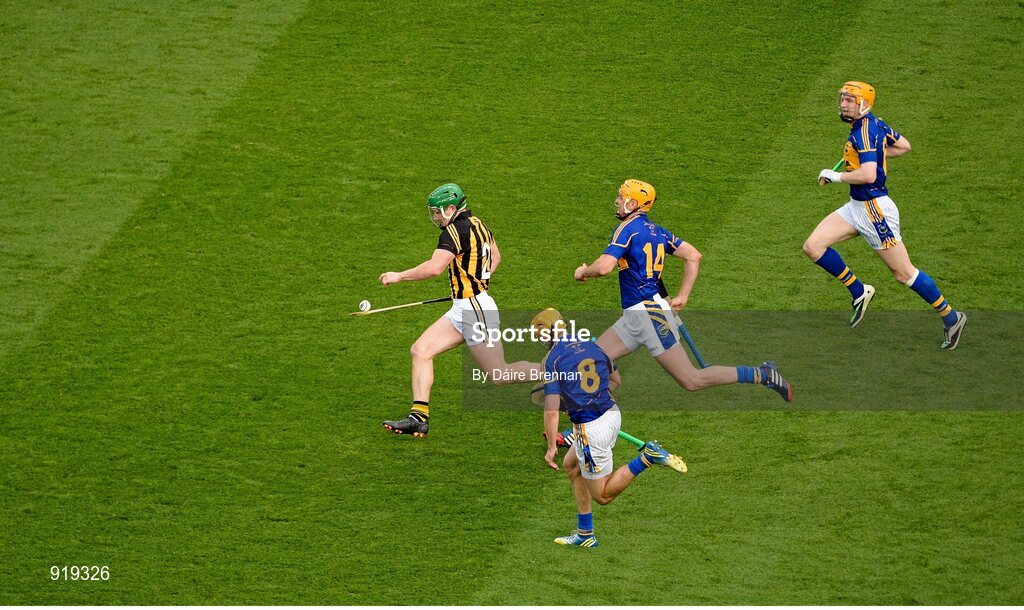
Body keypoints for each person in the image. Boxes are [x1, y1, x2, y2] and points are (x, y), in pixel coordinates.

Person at [574, 179, 793, 401]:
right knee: (591, 360)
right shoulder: (658, 232)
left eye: (621, 197)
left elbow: (603, 268)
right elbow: (693, 256)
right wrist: (683, 296)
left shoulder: (626, 229)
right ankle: (580, 414)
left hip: (648, 314)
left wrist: (583, 271)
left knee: (692, 379)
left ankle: (763, 374)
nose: (617, 201)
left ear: (632, 204)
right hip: (637, 314)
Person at [808, 81, 967, 349]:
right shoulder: (873, 124)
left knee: (904, 273)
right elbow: (904, 146)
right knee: (813, 246)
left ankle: (951, 317)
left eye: (850, 100)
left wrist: (835, 176)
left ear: (864, 104)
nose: (844, 104)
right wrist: (874, 157)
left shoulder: (864, 133)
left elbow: (869, 174)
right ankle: (860, 292)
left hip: (874, 211)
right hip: (856, 206)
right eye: (843, 99)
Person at [378, 183, 541, 437]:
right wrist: (474, 281)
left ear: (452, 208)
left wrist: (399, 276)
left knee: (499, 374)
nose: (435, 217)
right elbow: (495, 257)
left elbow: (434, 268)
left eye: (438, 212)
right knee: (420, 351)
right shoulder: (479, 224)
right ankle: (419, 417)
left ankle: (558, 369)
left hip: (474, 309)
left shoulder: (452, 232)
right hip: (467, 306)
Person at [533, 308, 682, 548]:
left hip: (591, 430)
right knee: (572, 466)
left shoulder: (552, 360)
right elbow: (615, 381)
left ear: (545, 334)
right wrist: (584, 396)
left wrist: (551, 447)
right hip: (612, 414)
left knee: (602, 495)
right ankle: (585, 533)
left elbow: (551, 411)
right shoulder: (594, 346)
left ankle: (647, 458)